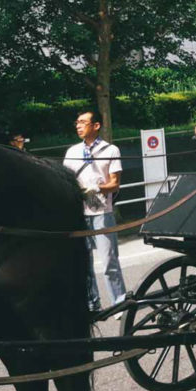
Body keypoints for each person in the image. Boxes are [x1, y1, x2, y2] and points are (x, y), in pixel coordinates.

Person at [64, 110, 127, 314]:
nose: (78, 126)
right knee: (84, 263)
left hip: (102, 213)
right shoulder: (72, 152)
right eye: (77, 122)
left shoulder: (111, 150)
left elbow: (115, 184)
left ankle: (119, 303)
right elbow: (66, 181)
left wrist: (98, 189)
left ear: (96, 125)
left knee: (109, 261)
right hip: (78, 214)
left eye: (83, 122)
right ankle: (92, 304)